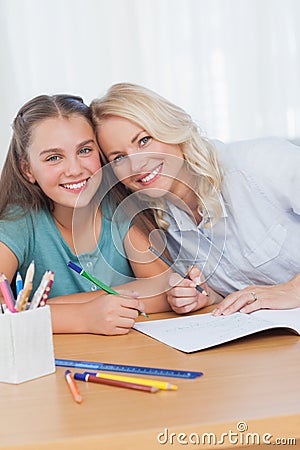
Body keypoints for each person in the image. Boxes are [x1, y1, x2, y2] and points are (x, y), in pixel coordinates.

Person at [90, 82, 300, 316]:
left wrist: (294, 290)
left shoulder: (257, 162)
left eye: (144, 140)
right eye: (119, 158)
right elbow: (236, 284)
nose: (136, 165)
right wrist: (204, 296)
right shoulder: (160, 221)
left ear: (171, 128)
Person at [0, 94, 171, 335]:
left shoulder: (118, 205)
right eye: (54, 157)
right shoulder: (18, 222)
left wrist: (37, 311)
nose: (75, 169)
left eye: (85, 150)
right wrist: (82, 316)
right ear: (27, 169)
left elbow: (166, 288)